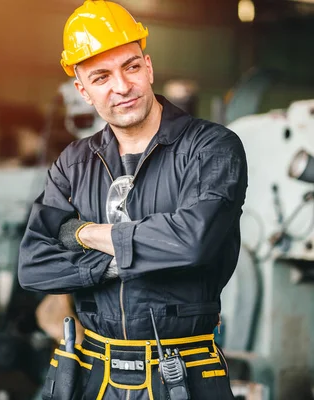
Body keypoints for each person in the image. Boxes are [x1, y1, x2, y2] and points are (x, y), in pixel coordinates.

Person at [18, 1, 248, 399]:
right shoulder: (74, 163)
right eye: (101, 76)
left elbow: (192, 242)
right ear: (83, 91)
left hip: (184, 371)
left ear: (149, 66)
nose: (121, 87)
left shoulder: (211, 148)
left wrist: (86, 234)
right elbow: (34, 266)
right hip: (93, 372)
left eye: (131, 67)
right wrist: (129, 260)